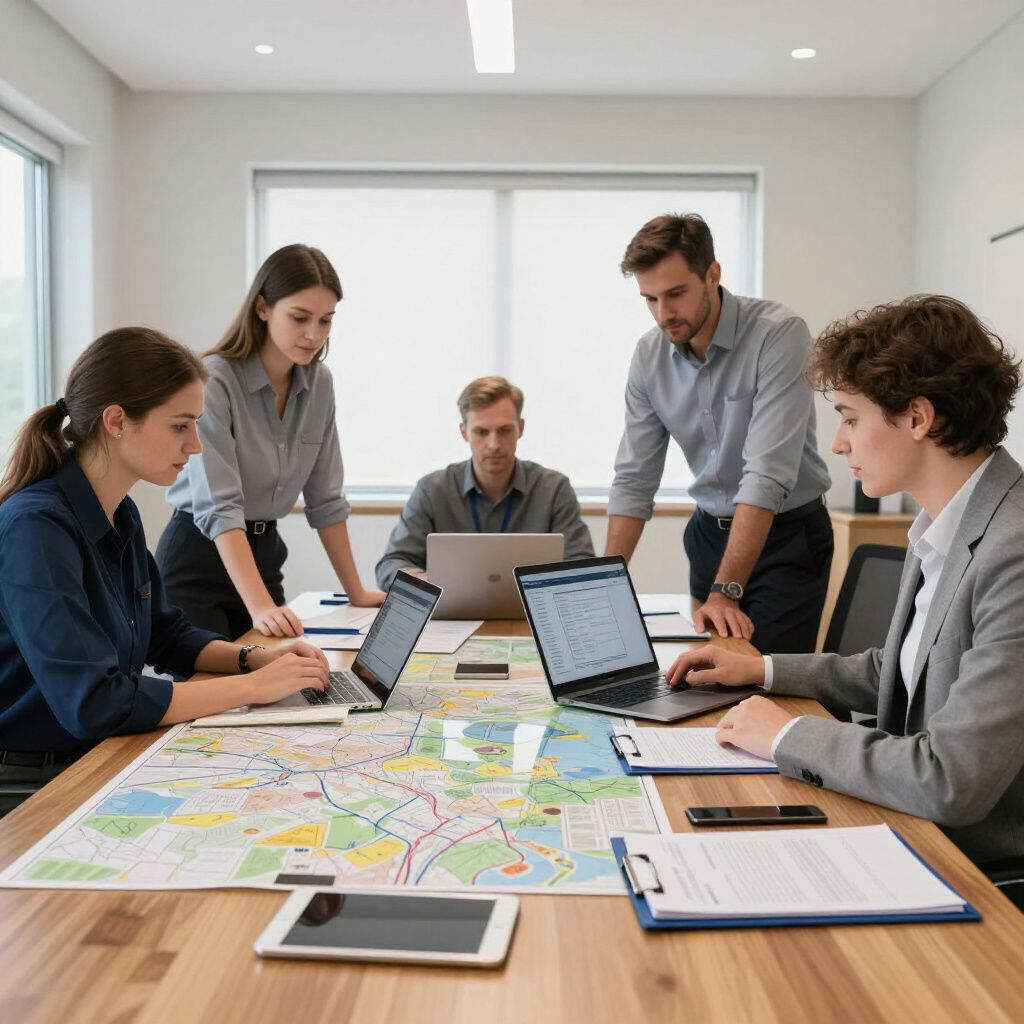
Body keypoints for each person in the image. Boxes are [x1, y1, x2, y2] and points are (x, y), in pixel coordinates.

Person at [666, 295, 1024, 892]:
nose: (837, 443)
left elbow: (951, 780)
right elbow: (902, 670)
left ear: (917, 418)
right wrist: (761, 670)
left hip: (978, 872)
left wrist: (785, 734)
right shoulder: (946, 525)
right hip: (909, 826)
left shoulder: (1013, 550)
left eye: (851, 418)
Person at [0, 328, 328, 807]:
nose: (195, 445)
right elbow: (96, 702)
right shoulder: (36, 528)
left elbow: (166, 636)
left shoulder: (119, 512)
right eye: (180, 426)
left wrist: (253, 658)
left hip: (97, 754)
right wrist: (253, 687)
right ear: (117, 421)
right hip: (37, 782)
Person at [606, 213, 832, 653]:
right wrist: (604, 586)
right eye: (650, 299)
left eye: (676, 294)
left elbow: (766, 475)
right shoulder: (649, 355)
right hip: (708, 536)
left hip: (786, 540)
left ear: (713, 274)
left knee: (765, 679)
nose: (663, 314)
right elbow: (634, 478)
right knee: (706, 674)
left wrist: (725, 591)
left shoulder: (778, 334)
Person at [156, 244, 384, 640]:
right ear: (262, 308)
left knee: (285, 674)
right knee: (218, 678)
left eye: (326, 321)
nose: (314, 335)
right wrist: (260, 607)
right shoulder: (214, 380)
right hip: (199, 558)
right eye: (299, 317)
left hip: (264, 558)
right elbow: (220, 506)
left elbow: (326, 499)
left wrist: (357, 592)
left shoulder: (320, 384)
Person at [375, 376, 594, 589]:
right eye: (481, 432)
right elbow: (391, 565)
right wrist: (433, 583)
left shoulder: (554, 489)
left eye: (504, 431)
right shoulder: (432, 490)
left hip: (530, 612)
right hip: (453, 611)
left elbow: (583, 565)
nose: (494, 444)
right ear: (464, 432)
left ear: (521, 428)